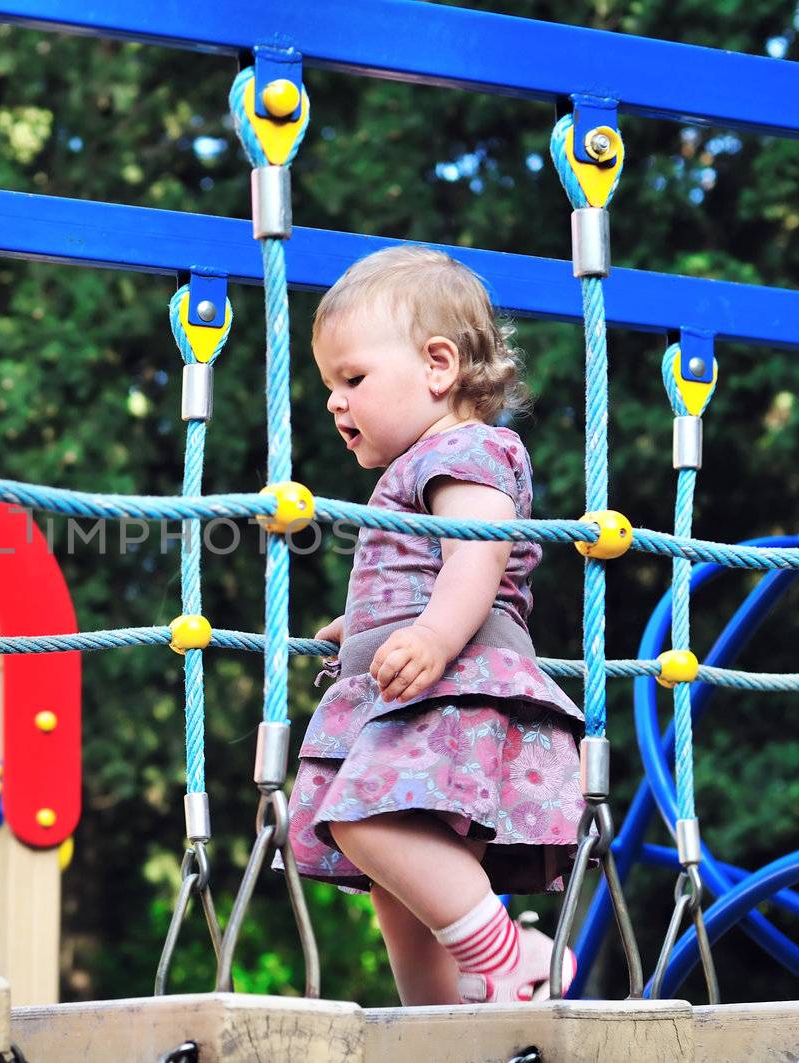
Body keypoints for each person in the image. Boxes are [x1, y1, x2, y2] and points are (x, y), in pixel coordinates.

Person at [289, 245, 583, 1005]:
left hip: (457, 687)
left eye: (352, 378)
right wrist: (363, 626)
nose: (335, 401)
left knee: (362, 822)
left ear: (439, 365)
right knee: (402, 881)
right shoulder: (424, 462)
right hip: (427, 692)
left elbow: (476, 559)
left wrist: (431, 636)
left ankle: (508, 954)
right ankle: (441, 1015)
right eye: (330, 385)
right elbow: (422, 572)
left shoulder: (468, 449)